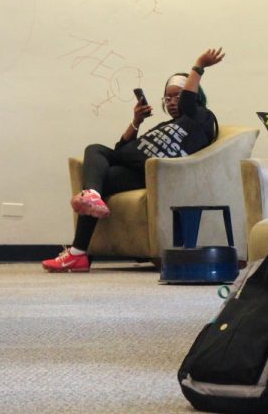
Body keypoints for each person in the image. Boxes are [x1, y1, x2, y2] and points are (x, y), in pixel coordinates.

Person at [42, 48, 224, 273]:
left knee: (96, 154)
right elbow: (122, 149)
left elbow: (189, 102)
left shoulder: (202, 117)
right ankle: (79, 251)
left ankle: (81, 238)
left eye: (178, 95)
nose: (172, 101)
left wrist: (198, 66)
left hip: (152, 173)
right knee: (97, 175)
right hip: (134, 168)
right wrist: (136, 121)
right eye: (167, 97)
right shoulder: (163, 126)